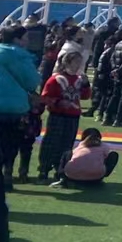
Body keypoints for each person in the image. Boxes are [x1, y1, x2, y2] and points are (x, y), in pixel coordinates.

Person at [0, 27, 40, 190]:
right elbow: (31, 82)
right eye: (25, 37)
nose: (27, 41)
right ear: (17, 39)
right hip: (13, 107)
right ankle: (6, 174)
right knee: (9, 144)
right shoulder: (20, 56)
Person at [38, 48, 89, 184]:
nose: (78, 65)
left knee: (67, 143)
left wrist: (86, 84)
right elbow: (45, 97)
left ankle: (61, 170)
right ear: (67, 62)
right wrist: (59, 102)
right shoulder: (56, 79)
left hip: (73, 115)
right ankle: (44, 169)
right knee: (51, 142)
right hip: (58, 115)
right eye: (75, 62)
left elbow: (85, 96)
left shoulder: (79, 79)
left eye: (79, 62)